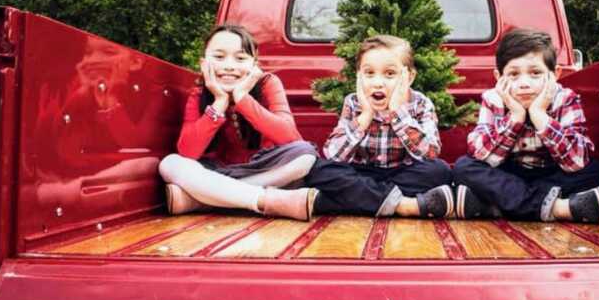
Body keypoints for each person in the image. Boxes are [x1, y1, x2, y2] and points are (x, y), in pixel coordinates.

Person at [159, 24, 318, 220]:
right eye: (218, 57)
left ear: (254, 65)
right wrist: (219, 102)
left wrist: (242, 98)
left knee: (305, 155)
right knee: (170, 164)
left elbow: (290, 137)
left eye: (240, 58)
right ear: (203, 63)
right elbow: (188, 151)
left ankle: (205, 200)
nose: (229, 66)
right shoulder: (199, 94)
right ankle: (263, 199)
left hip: (264, 169)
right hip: (219, 171)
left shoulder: (268, 84)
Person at [452, 28, 599, 223]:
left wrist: (539, 115)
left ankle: (496, 207)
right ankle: (559, 209)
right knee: (464, 167)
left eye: (535, 73)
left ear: (555, 74)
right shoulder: (493, 99)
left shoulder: (565, 98)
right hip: (509, 175)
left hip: (552, 174)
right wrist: (515, 117)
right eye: (513, 74)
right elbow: (484, 157)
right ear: (498, 77)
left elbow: (575, 162)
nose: (524, 83)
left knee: (594, 171)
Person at [306, 35, 454, 217]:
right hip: (363, 173)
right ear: (359, 76)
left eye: (390, 74)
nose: (378, 83)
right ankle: (403, 205)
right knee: (320, 170)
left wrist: (397, 113)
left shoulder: (421, 103)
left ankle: (353, 201)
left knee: (439, 171)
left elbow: (431, 153)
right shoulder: (353, 103)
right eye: (369, 73)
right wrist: (365, 116)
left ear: (409, 77)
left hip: (403, 173)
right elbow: (333, 155)